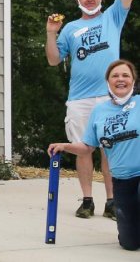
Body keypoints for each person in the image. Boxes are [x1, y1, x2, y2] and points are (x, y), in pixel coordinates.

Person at [45, 0, 137, 219]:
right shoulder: (70, 28)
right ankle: (87, 200)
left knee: (110, 150)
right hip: (80, 98)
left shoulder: (112, 17)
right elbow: (53, 59)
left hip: (111, 97)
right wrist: (50, 32)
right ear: (78, 0)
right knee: (83, 151)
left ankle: (112, 201)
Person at [49, 59, 140, 251]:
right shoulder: (99, 111)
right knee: (129, 243)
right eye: (115, 76)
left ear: (134, 80)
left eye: (126, 75)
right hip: (122, 181)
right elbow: (87, 148)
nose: (120, 79)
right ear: (108, 82)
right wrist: (64, 146)